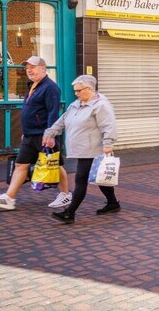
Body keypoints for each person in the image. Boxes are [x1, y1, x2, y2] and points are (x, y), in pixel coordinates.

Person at [0, 56, 70, 211]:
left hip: (43, 134)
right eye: (27, 68)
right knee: (20, 164)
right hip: (30, 134)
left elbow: (53, 113)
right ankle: (9, 198)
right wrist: (26, 131)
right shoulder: (32, 85)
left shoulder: (51, 88)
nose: (29, 70)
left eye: (33, 67)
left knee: (55, 163)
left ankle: (65, 194)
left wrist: (50, 135)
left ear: (43, 68)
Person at [43, 75, 120, 224]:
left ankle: (69, 213)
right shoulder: (75, 105)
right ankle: (113, 203)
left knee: (80, 179)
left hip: (92, 149)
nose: (76, 93)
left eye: (79, 90)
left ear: (89, 89)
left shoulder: (100, 106)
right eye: (75, 91)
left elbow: (109, 125)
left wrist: (108, 143)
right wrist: (50, 132)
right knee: (100, 178)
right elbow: (62, 121)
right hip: (82, 148)